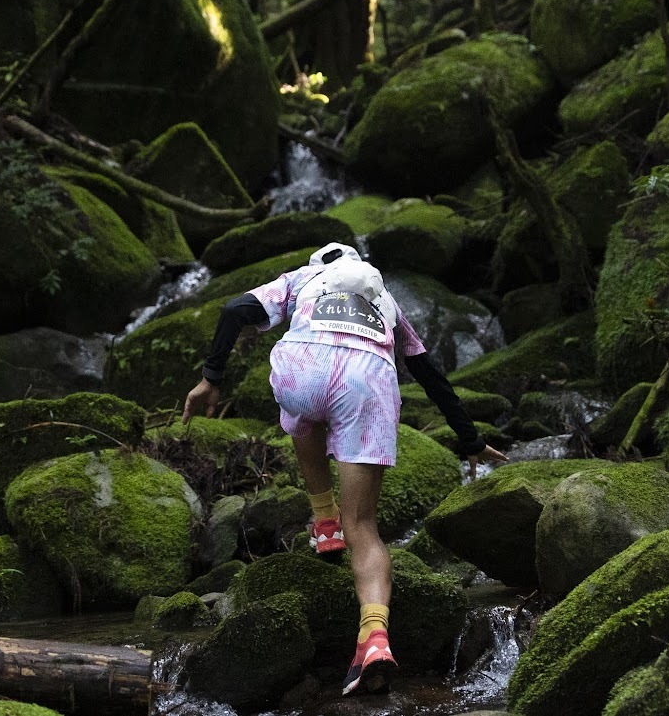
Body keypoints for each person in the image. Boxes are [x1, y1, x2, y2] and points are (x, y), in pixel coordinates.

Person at [183, 242, 507, 696]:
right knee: (365, 527)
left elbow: (235, 310)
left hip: (303, 369)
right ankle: (373, 635)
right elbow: (429, 373)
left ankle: (324, 520)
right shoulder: (386, 301)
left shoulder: (302, 279)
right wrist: (470, 439)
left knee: (303, 412)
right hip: (366, 380)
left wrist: (210, 378)